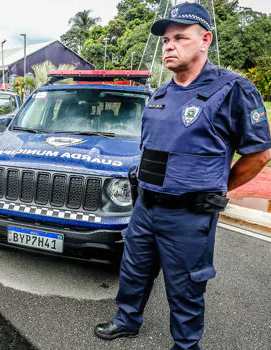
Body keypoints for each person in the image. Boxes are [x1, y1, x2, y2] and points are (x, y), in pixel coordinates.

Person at [94, 3, 271, 349]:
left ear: (204, 40)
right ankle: (126, 320)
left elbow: (260, 154)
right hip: (146, 207)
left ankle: (186, 344)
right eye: (165, 40)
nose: (169, 46)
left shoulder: (233, 89)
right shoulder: (161, 92)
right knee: (134, 270)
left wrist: (220, 187)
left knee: (186, 284)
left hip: (190, 214)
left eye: (179, 38)